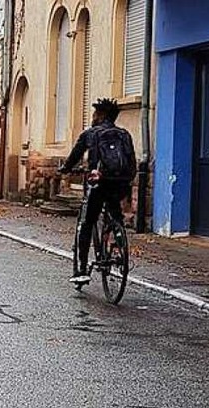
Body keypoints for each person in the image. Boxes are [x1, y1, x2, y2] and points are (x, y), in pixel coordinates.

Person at [58, 98, 137, 284]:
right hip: (120, 184)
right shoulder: (124, 134)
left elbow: (74, 156)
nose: (92, 117)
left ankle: (82, 270)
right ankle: (118, 237)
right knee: (115, 213)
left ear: (100, 115)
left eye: (94, 114)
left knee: (87, 223)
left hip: (98, 183)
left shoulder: (90, 134)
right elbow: (131, 162)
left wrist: (65, 169)